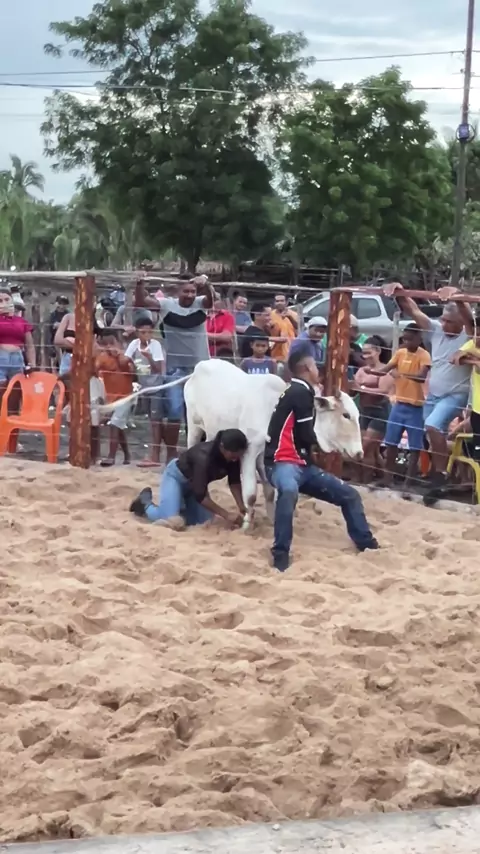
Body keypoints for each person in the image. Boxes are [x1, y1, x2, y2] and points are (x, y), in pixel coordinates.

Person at [264, 347, 378, 572]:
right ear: (307, 368)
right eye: (315, 366)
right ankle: (280, 553)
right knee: (290, 492)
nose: (318, 370)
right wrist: (326, 446)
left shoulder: (297, 390)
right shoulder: (301, 393)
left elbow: (303, 434)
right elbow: (306, 434)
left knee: (349, 495)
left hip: (298, 463)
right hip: (283, 462)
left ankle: (367, 544)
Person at [383, 283, 474, 496]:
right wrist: (399, 292)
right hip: (433, 395)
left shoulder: (469, 335)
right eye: (443, 319)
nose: (444, 324)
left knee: (433, 426)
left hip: (456, 394)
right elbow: (413, 310)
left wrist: (458, 296)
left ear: (460, 322)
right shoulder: (435, 329)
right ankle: (439, 475)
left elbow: (470, 319)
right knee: (432, 433)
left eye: (449, 321)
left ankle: (440, 474)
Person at [135, 276, 214, 461]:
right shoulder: (166, 305)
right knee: (174, 411)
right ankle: (171, 453)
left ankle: (199, 453)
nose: (189, 295)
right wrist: (140, 284)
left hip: (200, 369)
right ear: (178, 291)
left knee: (200, 413)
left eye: (192, 291)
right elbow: (141, 302)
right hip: (174, 369)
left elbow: (211, 300)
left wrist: (206, 284)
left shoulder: (201, 303)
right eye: (185, 291)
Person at [129, 428, 249, 528]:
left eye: (238, 456)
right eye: (233, 455)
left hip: (195, 485)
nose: (235, 459)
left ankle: (178, 506)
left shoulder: (233, 458)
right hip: (176, 478)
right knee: (173, 521)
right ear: (222, 447)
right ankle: (145, 504)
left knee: (204, 521)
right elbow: (200, 495)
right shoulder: (203, 457)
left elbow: (234, 482)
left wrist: (242, 506)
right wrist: (226, 514)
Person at [366, 325, 431, 490]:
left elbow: (421, 377)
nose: (407, 342)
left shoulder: (424, 355)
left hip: (415, 407)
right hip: (399, 404)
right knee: (391, 442)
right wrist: (371, 372)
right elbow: (386, 370)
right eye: (405, 339)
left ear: (419, 338)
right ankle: (388, 478)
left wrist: (400, 375)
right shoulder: (400, 353)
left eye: (410, 339)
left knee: (414, 447)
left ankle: (408, 481)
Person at [124, 317, 166, 466]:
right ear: (137, 333)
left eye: (149, 332)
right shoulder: (134, 344)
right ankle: (156, 452)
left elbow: (158, 369)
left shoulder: (155, 345)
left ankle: (155, 455)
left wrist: (149, 358)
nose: (146, 335)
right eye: (143, 332)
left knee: (155, 421)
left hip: (155, 387)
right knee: (151, 420)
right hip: (143, 387)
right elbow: (126, 361)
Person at [353, 336, 395, 483]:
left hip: (379, 412)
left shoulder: (385, 370)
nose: (366, 356)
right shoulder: (361, 370)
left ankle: (366, 479)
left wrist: (361, 388)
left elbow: (383, 391)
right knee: (368, 449)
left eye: (369, 352)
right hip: (363, 411)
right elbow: (354, 389)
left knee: (366, 448)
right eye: (364, 353)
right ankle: (381, 478)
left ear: (378, 351)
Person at [95, 331, 136, 466]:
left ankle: (111, 457)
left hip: (127, 397)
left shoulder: (126, 357)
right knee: (118, 426)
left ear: (120, 343)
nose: (109, 347)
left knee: (114, 423)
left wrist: (122, 358)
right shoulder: (102, 357)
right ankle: (127, 454)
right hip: (112, 399)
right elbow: (94, 369)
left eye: (112, 343)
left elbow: (133, 373)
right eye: (105, 344)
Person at [0, 287, 36, 392]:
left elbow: (30, 345)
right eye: (0, 301)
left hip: (17, 358)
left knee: (16, 388)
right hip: (1, 356)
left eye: (7, 299)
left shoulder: (21, 321)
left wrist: (32, 364)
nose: (4, 303)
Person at [270, 294, 297, 365]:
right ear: (274, 303)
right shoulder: (270, 315)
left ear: (287, 302)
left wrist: (290, 318)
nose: (279, 303)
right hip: (274, 352)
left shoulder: (294, 314)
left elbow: (299, 329)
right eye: (277, 301)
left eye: (282, 301)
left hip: (290, 350)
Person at [47, 296, 69, 370]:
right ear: (57, 304)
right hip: (54, 341)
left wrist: (60, 325)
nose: (62, 306)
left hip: (66, 341)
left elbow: (69, 327)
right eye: (60, 303)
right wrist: (63, 325)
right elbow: (53, 326)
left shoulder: (68, 314)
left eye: (64, 304)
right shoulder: (53, 315)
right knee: (54, 362)